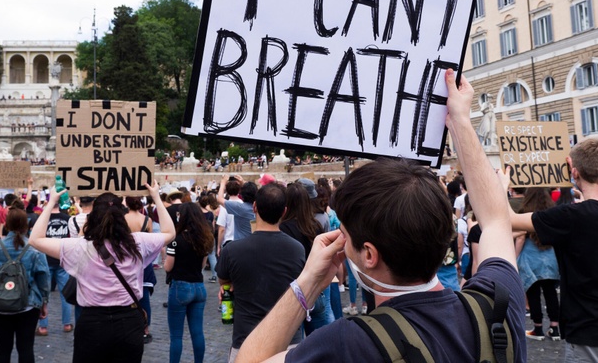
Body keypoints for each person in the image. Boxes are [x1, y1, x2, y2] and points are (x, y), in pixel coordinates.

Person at [237, 69, 525, 362]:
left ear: (370, 255)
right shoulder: (498, 303)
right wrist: (460, 119)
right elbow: (496, 219)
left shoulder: (348, 344)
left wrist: (308, 283)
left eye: (346, 236)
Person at [29, 182, 175, 363]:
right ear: (123, 217)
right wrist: (156, 197)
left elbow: (35, 239)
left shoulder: (80, 246)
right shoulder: (138, 242)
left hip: (93, 323)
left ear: (93, 217)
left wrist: (51, 202)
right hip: (128, 321)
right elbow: (170, 232)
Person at [510, 136, 598, 360]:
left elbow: (506, 219)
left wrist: (501, 184)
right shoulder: (576, 215)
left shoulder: (572, 217)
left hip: (589, 333)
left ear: (574, 171)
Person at [216, 183, 306, 362]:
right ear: (284, 212)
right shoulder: (297, 249)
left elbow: (224, 281)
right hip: (288, 340)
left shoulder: (232, 250)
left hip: (246, 339)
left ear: (255, 207)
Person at [0, 208, 50, 363]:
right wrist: (44, 301)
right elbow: (43, 276)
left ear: (7, 224)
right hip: (28, 303)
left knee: (2, 350)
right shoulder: (35, 247)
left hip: (0, 302)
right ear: (27, 225)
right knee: (26, 348)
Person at [280, 182, 333, 334]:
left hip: (294, 291)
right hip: (315, 290)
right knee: (321, 344)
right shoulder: (315, 225)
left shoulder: (283, 228)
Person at [165, 202, 215, 363]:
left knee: (176, 336)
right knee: (197, 332)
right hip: (199, 287)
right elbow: (201, 265)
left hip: (180, 286)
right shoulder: (204, 239)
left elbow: (167, 267)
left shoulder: (176, 240)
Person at [514, 188, 560, 341]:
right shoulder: (553, 211)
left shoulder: (524, 211)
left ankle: (538, 328)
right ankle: (554, 328)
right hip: (550, 258)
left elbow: (520, 237)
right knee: (550, 292)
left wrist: (513, 257)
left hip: (530, 258)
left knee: (533, 294)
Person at [36, 198, 72, 336]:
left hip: (46, 258)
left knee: (43, 294)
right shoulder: (67, 219)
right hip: (62, 258)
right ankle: (67, 324)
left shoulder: (44, 219)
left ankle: (43, 327)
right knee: (65, 294)